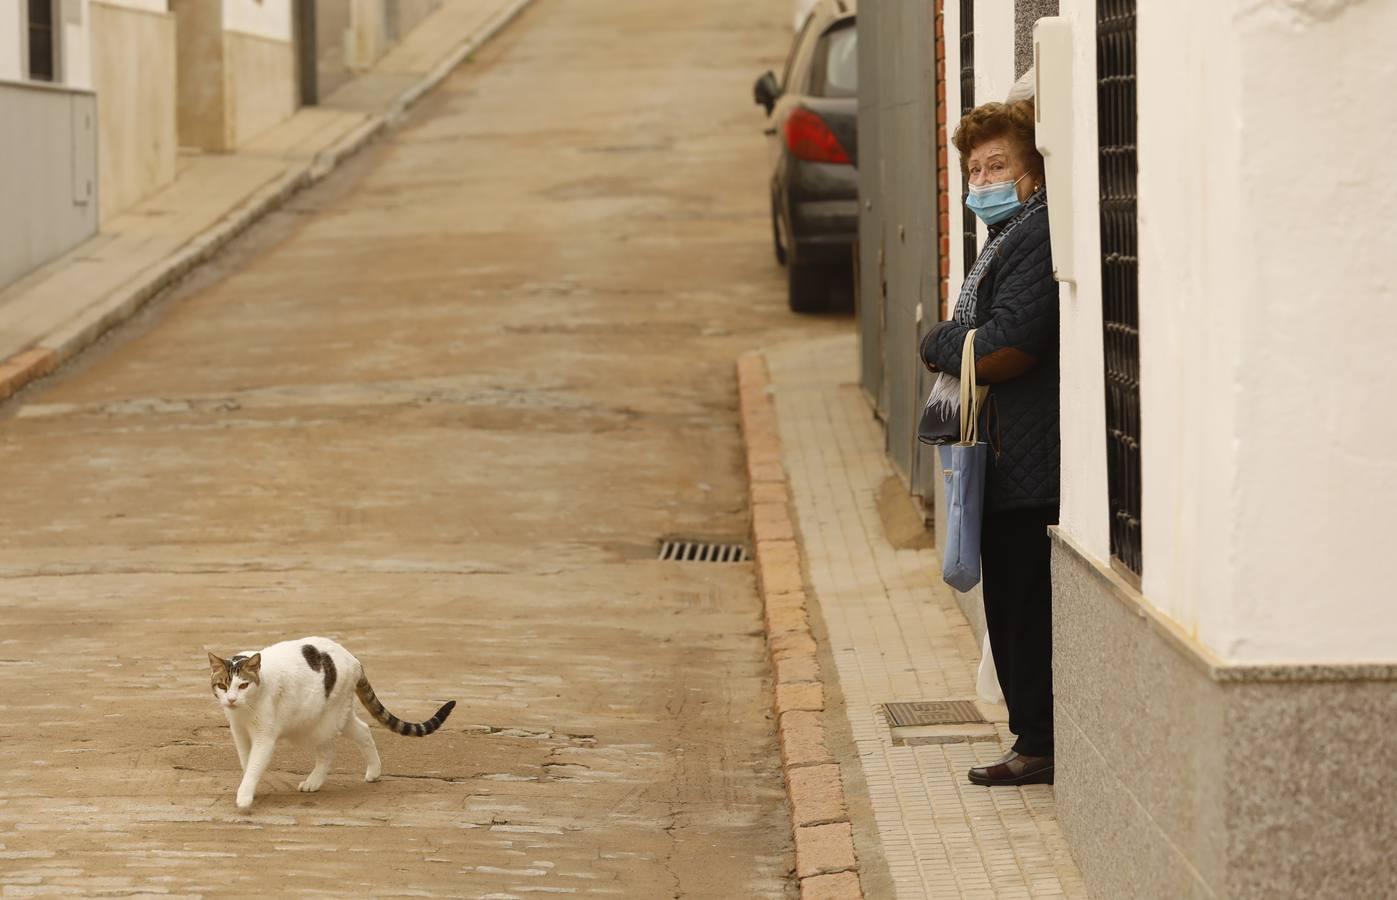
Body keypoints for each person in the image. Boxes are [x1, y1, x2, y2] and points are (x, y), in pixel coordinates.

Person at [920, 99, 1060, 787]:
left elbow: (1008, 345)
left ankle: (1037, 743)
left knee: (1022, 608)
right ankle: (1029, 737)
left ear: (1031, 173)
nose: (981, 181)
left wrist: (936, 342)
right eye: (973, 169)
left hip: (1027, 459)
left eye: (996, 165)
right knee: (1006, 604)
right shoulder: (1004, 241)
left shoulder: (1035, 236)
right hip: (1003, 456)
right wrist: (957, 342)